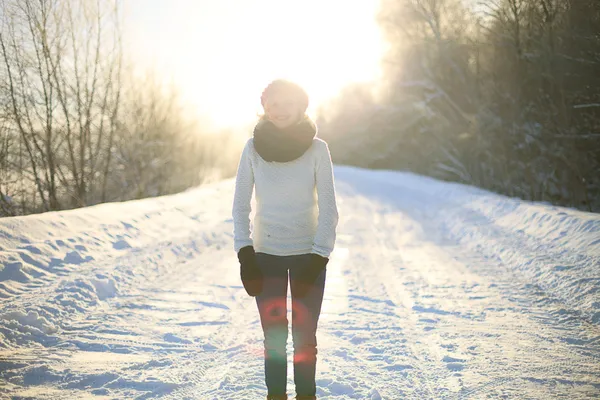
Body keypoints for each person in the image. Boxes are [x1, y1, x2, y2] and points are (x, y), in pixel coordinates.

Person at [232, 79, 339, 400]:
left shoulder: (318, 149)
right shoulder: (252, 149)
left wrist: (318, 257)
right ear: (265, 106)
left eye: (286, 103)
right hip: (266, 258)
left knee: (305, 339)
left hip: (309, 257)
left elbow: (330, 209)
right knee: (274, 341)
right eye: (272, 103)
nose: (278, 110)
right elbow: (239, 207)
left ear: (301, 106)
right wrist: (245, 254)